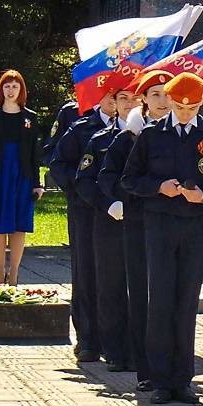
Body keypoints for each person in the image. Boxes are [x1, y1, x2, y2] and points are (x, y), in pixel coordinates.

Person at [121, 72, 203, 405]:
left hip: (195, 226)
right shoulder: (150, 136)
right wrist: (158, 187)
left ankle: (182, 379)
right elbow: (130, 179)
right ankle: (159, 380)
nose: (185, 112)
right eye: (180, 106)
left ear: (201, 103)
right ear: (170, 100)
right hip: (159, 224)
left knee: (186, 302)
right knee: (160, 300)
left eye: (192, 107)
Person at [98, 69, 174, 392]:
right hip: (137, 223)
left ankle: (172, 364)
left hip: (172, 224)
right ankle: (145, 367)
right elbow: (107, 175)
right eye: (154, 94)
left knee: (170, 296)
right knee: (141, 295)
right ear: (143, 99)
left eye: (166, 94)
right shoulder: (128, 136)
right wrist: (114, 202)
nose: (161, 100)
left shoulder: (179, 133)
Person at [75, 81, 140, 373]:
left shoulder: (149, 137)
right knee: (110, 286)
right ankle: (114, 351)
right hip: (109, 221)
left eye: (133, 98)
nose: (127, 103)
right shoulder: (100, 138)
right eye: (121, 98)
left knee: (140, 288)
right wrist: (107, 204)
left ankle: (139, 349)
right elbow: (85, 180)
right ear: (113, 102)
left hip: (144, 223)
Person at [49, 92, 116, 363]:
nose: (116, 102)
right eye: (112, 96)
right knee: (87, 270)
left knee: (117, 275)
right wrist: (79, 188)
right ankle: (88, 338)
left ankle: (116, 340)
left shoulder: (139, 129)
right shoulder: (79, 124)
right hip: (86, 210)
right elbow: (56, 160)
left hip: (121, 212)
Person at [0, 70, 44, 284]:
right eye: (7, 86)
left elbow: (34, 152)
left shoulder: (30, 117)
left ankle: (13, 273)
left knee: (18, 225)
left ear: (21, 90)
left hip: (21, 176)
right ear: (0, 89)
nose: (11, 90)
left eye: (15, 86)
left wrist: (36, 183)